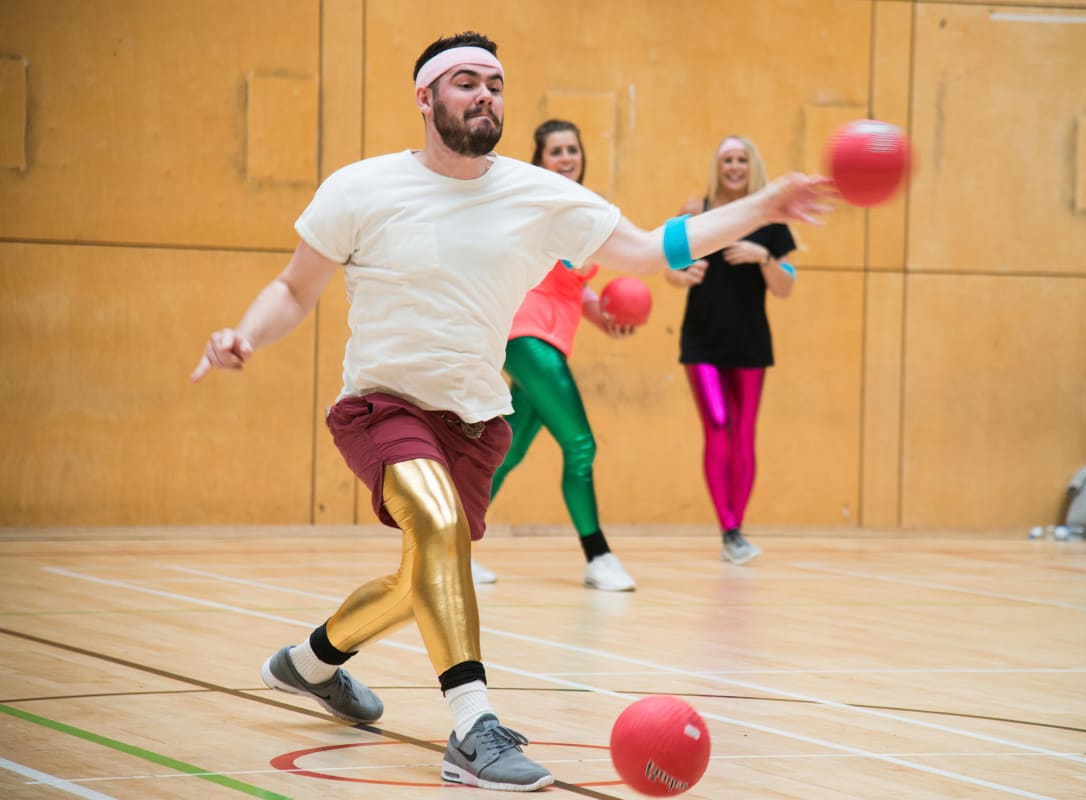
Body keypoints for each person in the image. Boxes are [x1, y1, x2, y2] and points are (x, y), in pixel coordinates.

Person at [191, 31, 833, 792]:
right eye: (465, 82)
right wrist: (245, 336)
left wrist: (764, 203)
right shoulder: (359, 189)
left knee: (422, 578)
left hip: (474, 421)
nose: (485, 95)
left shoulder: (540, 195)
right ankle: (472, 727)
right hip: (381, 405)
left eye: (495, 83)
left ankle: (308, 664)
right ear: (425, 98)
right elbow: (297, 288)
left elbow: (651, 247)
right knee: (435, 530)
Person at [474, 119, 638, 592]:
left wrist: (604, 316)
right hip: (525, 337)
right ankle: (598, 556)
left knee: (508, 452)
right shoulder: (535, 205)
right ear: (540, 160)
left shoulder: (587, 211)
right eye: (555, 151)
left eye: (572, 149)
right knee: (581, 445)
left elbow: (576, 286)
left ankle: (450, 549)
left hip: (550, 339)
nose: (566, 158)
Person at [664, 135, 799, 566]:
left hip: (750, 341)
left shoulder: (771, 218)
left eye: (742, 159)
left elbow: (786, 287)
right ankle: (728, 528)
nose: (735, 166)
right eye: (727, 159)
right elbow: (669, 269)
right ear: (717, 166)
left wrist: (763, 257)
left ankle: (735, 529)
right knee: (717, 425)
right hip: (701, 339)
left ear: (752, 164)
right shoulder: (695, 213)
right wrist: (683, 275)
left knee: (744, 433)